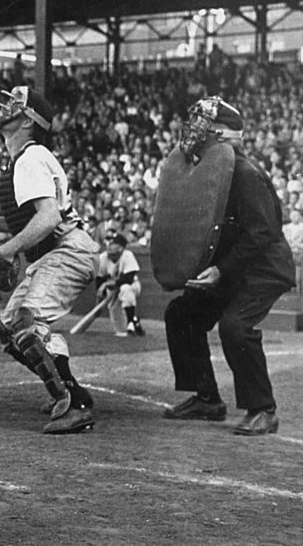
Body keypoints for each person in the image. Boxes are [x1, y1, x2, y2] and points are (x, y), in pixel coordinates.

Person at [0, 86, 99, 434]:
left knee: (26, 320)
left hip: (67, 249)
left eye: (15, 105)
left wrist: (4, 250)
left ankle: (75, 403)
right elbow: (31, 218)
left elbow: (49, 218)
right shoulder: (25, 157)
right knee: (6, 326)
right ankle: (65, 391)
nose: (5, 108)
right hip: (61, 249)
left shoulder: (30, 158)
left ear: (28, 121)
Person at [160, 97, 296, 436]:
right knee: (182, 313)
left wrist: (221, 270)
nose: (194, 133)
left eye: (202, 127)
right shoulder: (213, 171)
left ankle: (263, 409)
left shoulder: (245, 173)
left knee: (235, 326)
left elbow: (262, 233)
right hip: (236, 267)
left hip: (264, 268)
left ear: (221, 135)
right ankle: (207, 398)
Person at [95, 233, 144, 337]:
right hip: (112, 290)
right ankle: (135, 321)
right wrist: (98, 304)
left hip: (132, 285)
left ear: (121, 248)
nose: (110, 245)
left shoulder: (127, 255)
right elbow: (99, 283)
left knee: (125, 289)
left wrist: (108, 284)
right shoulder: (102, 258)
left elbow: (128, 279)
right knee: (121, 331)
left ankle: (131, 322)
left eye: (113, 243)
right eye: (109, 242)